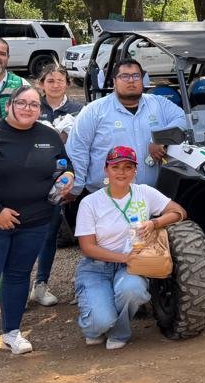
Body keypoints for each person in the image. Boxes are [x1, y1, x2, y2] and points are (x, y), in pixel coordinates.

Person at [0, 84, 75, 370]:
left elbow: (62, 164)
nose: (28, 109)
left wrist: (67, 175)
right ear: (9, 105)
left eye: (34, 104)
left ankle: (11, 333)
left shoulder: (48, 135)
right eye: (22, 103)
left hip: (35, 222)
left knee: (18, 276)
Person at [74, 145, 187, 349]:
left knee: (133, 290)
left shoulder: (144, 192)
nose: (122, 172)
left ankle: (119, 332)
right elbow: (87, 247)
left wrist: (154, 223)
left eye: (128, 167)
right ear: (106, 170)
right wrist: (124, 258)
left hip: (131, 266)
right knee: (99, 323)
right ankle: (96, 324)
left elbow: (179, 212)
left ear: (135, 170)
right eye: (115, 167)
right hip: (97, 267)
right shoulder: (90, 202)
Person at [67, 59, 187, 196]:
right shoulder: (94, 110)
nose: (131, 80)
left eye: (136, 76)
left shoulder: (158, 104)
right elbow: (77, 149)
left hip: (150, 197)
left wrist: (160, 138)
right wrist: (75, 188)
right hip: (105, 197)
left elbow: (184, 119)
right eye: (124, 76)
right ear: (114, 81)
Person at [28, 65, 85, 308]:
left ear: (67, 83)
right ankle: (30, 285)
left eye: (60, 80)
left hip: (70, 181)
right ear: (41, 84)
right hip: (35, 183)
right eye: (50, 80)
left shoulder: (79, 110)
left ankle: (82, 284)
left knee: (79, 233)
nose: (55, 85)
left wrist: (77, 182)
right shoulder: (31, 106)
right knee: (38, 235)